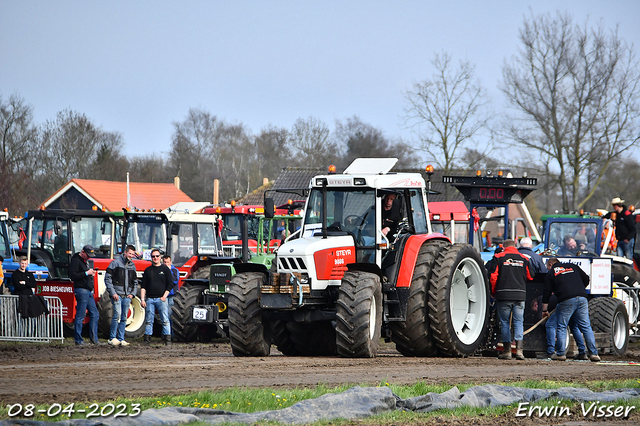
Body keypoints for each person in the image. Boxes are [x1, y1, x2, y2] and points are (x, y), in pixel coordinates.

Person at [542, 258, 600, 362]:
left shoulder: (551, 273)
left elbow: (547, 292)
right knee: (585, 326)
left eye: (547, 267)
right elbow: (586, 278)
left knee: (561, 326)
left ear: (550, 265)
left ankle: (560, 354)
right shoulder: (573, 266)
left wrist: (544, 310)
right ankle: (593, 354)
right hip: (582, 298)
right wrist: (580, 289)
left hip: (566, 300)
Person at [487, 239, 533, 360]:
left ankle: (507, 351)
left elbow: (493, 277)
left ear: (504, 247)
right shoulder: (524, 258)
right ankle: (519, 351)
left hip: (503, 295)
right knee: (518, 322)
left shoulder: (498, 257)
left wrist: (493, 293)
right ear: (515, 246)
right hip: (520, 295)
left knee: (505, 323)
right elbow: (531, 276)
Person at [104, 244, 138, 347]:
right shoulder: (115, 263)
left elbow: (135, 282)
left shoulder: (133, 266)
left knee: (124, 317)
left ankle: (121, 338)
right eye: (129, 253)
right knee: (117, 315)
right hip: (117, 294)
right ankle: (112, 338)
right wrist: (113, 293)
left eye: (132, 254)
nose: (131, 255)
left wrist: (132, 294)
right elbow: (107, 279)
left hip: (127, 296)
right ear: (125, 252)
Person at [140, 248, 173, 345]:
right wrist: (142, 299)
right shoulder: (148, 270)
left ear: (160, 257)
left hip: (161, 299)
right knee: (149, 320)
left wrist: (164, 296)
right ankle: (147, 340)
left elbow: (170, 284)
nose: (155, 258)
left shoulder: (165, 269)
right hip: (150, 299)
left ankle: (167, 340)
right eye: (153, 256)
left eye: (157, 256)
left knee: (165, 320)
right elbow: (143, 286)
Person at [69, 245, 101, 346]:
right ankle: (78, 340)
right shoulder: (76, 261)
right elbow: (73, 276)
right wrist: (87, 273)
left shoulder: (84, 261)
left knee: (95, 314)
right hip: (81, 290)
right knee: (80, 315)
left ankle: (94, 339)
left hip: (87, 290)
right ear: (82, 252)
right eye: (88, 255)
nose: (89, 257)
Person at [543, 293, 588, 360]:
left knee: (551, 325)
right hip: (578, 300)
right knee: (574, 328)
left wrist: (544, 310)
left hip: (565, 302)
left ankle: (551, 351)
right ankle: (582, 352)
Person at [163, 254, 179, 339]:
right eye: (164, 262)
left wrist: (169, 271)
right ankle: (165, 334)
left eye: (167, 262)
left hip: (172, 296)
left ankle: (171, 335)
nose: (166, 264)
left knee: (170, 315)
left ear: (170, 262)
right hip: (163, 296)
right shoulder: (161, 270)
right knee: (164, 315)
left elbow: (175, 280)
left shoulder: (175, 270)